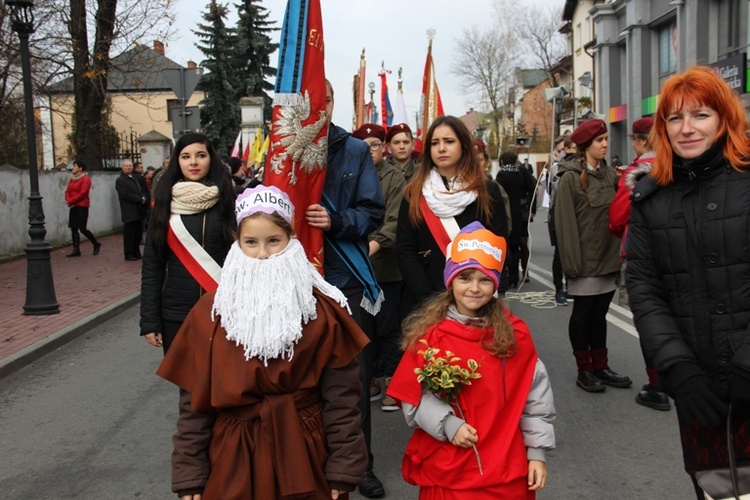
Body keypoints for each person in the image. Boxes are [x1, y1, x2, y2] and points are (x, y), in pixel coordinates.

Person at [157, 185, 369, 499]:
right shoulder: (210, 313)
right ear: (237, 245)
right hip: (233, 454)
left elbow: (343, 398)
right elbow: (193, 405)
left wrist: (344, 466)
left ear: (291, 241)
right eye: (251, 243)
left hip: (305, 448)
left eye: (274, 241)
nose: (263, 253)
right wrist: (190, 472)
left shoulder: (320, 310)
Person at [626, 66, 750, 498]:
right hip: (700, 387)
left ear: (723, 118)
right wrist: (678, 368)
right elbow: (644, 288)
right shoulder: (650, 198)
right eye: (675, 118)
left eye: (700, 115)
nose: (687, 129)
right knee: (717, 489)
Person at [387, 222, 556, 498]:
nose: (474, 288)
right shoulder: (430, 338)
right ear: (450, 281)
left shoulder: (516, 336)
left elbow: (535, 397)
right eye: (465, 278)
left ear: (496, 284)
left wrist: (536, 453)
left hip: (506, 469)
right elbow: (413, 396)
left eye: (485, 279)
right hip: (450, 465)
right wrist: (447, 424)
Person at [305, 80, 386, 498]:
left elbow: (373, 211)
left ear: (333, 103)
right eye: (313, 99)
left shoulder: (355, 150)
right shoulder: (286, 150)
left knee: (353, 378)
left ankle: (360, 467)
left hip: (346, 280)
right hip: (299, 280)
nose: (321, 105)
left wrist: (336, 222)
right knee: (306, 378)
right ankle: (312, 460)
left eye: (327, 99)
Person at [397, 115, 509, 316]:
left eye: (449, 141)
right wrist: (430, 299)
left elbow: (498, 244)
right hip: (425, 302)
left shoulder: (487, 191)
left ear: (463, 146)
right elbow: (405, 250)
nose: (441, 148)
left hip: (475, 300)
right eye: (434, 143)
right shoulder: (414, 193)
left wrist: (476, 293)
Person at [140, 132, 235, 353]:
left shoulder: (230, 202)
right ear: (177, 162)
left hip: (224, 308)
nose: (193, 162)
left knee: (224, 383)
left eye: (200, 155)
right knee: (186, 386)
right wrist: (150, 321)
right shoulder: (162, 207)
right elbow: (152, 266)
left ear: (211, 159)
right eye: (185, 156)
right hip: (176, 313)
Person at [555, 119, 631, 393]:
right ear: (586, 145)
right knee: (583, 315)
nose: (605, 144)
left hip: (608, 261)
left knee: (600, 315)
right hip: (585, 262)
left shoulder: (610, 174)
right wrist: (572, 265)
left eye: (605, 139)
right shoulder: (569, 179)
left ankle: (601, 366)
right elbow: (564, 225)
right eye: (600, 140)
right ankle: (584, 370)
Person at [608, 117, 670, 412]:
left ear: (642, 141)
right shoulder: (681, 166)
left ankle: (657, 386)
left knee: (649, 320)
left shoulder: (635, 174)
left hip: (642, 255)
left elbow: (618, 218)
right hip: (680, 253)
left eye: (634, 139)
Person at [352, 123, 407, 413]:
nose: (369, 150)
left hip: (385, 267)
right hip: (356, 268)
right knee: (365, 328)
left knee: (388, 327)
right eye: (364, 145)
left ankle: (393, 383)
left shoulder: (394, 177)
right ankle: (371, 377)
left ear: (383, 148)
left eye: (374, 144)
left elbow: (395, 220)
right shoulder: (352, 175)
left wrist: (370, 247)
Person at [495, 150, 537, 287]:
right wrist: (532, 208)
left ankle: (512, 276)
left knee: (510, 245)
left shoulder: (501, 175)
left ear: (501, 161)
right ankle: (525, 272)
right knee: (523, 243)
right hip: (522, 211)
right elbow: (532, 188)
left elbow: (498, 195)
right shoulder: (522, 171)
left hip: (508, 213)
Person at [547, 135, 575, 306]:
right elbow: (553, 191)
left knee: (575, 252)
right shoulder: (557, 168)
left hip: (576, 214)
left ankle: (572, 287)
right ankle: (559, 289)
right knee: (560, 252)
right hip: (558, 213)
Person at [64, 159, 101, 257]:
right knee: (73, 228)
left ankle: (96, 243)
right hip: (73, 206)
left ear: (80, 168)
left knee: (82, 228)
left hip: (82, 206)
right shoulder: (72, 179)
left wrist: (71, 201)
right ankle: (76, 249)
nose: (73, 168)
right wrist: (68, 200)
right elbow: (67, 191)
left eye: (75, 166)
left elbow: (83, 193)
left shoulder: (85, 179)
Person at [115, 159, 147, 261]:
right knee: (130, 234)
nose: (128, 167)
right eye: (126, 166)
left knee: (137, 234)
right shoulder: (120, 180)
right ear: (122, 167)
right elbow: (125, 195)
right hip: (129, 211)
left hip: (138, 210)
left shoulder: (134, 178)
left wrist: (143, 197)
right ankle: (129, 253)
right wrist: (139, 199)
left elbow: (140, 190)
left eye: (130, 166)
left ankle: (136, 252)